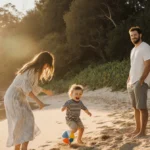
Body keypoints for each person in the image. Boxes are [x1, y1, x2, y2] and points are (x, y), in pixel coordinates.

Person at [4, 51, 54, 150]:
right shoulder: (31, 70)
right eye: (47, 65)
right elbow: (26, 88)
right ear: (44, 62)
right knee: (21, 124)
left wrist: (45, 91)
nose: (47, 68)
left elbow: (32, 87)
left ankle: (22, 148)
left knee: (26, 123)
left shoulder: (33, 70)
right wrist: (39, 102)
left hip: (16, 98)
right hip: (14, 98)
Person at [127, 26, 150, 138]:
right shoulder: (133, 49)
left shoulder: (145, 47)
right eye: (131, 36)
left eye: (135, 35)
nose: (133, 37)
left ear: (140, 35)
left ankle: (142, 132)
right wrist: (129, 78)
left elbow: (148, 64)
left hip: (140, 82)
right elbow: (133, 66)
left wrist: (142, 79)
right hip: (132, 82)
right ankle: (137, 129)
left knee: (142, 107)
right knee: (135, 107)